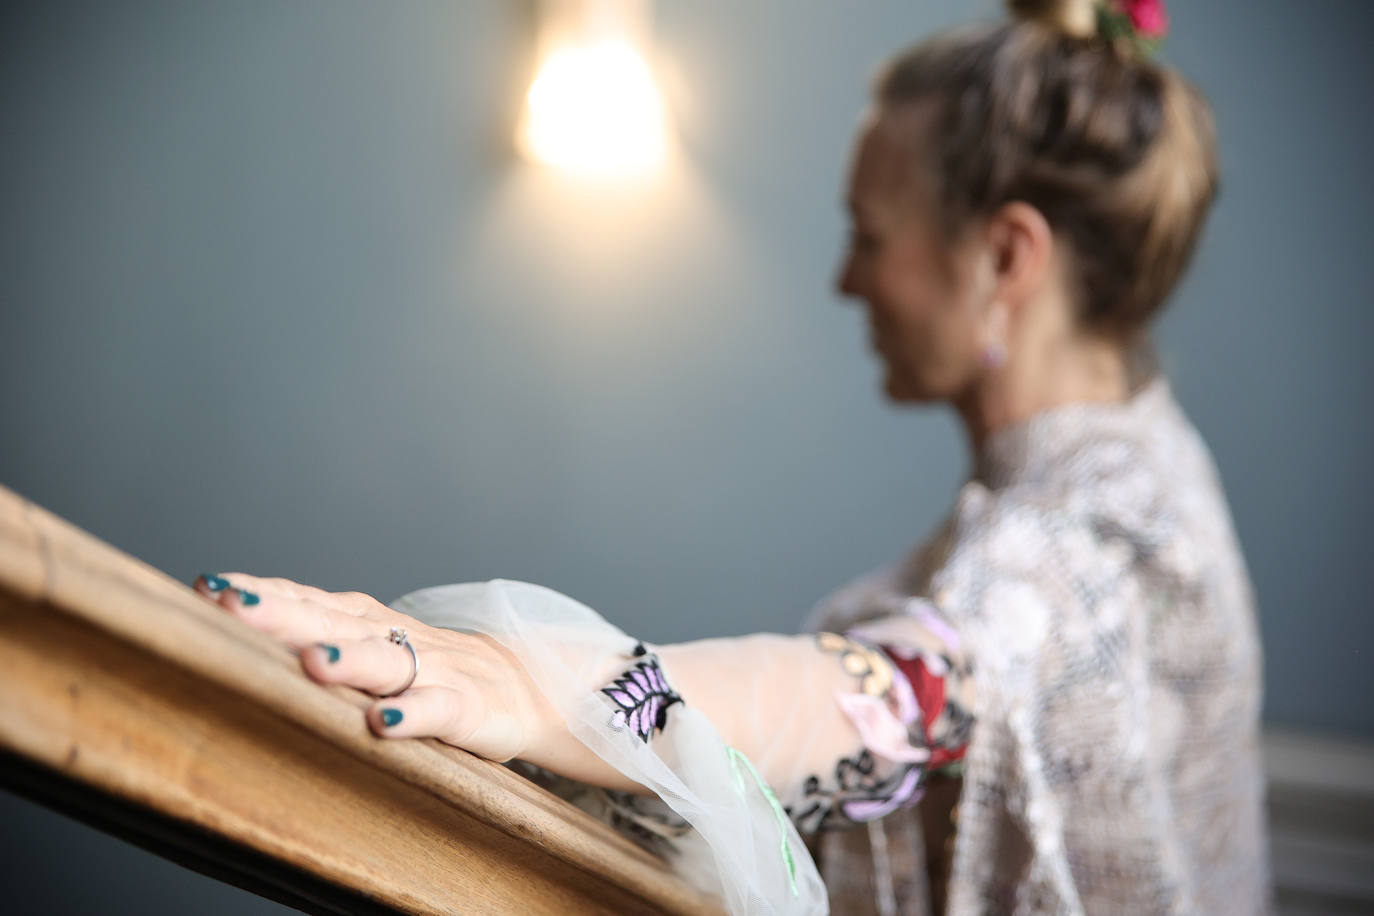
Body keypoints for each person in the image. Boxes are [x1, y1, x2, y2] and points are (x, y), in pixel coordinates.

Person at [193, 0, 1272, 912]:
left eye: (868, 234)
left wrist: (556, 684)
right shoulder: (1126, 472)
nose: (847, 282)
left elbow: (917, 683)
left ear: (1004, 255)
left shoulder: (1106, 531)